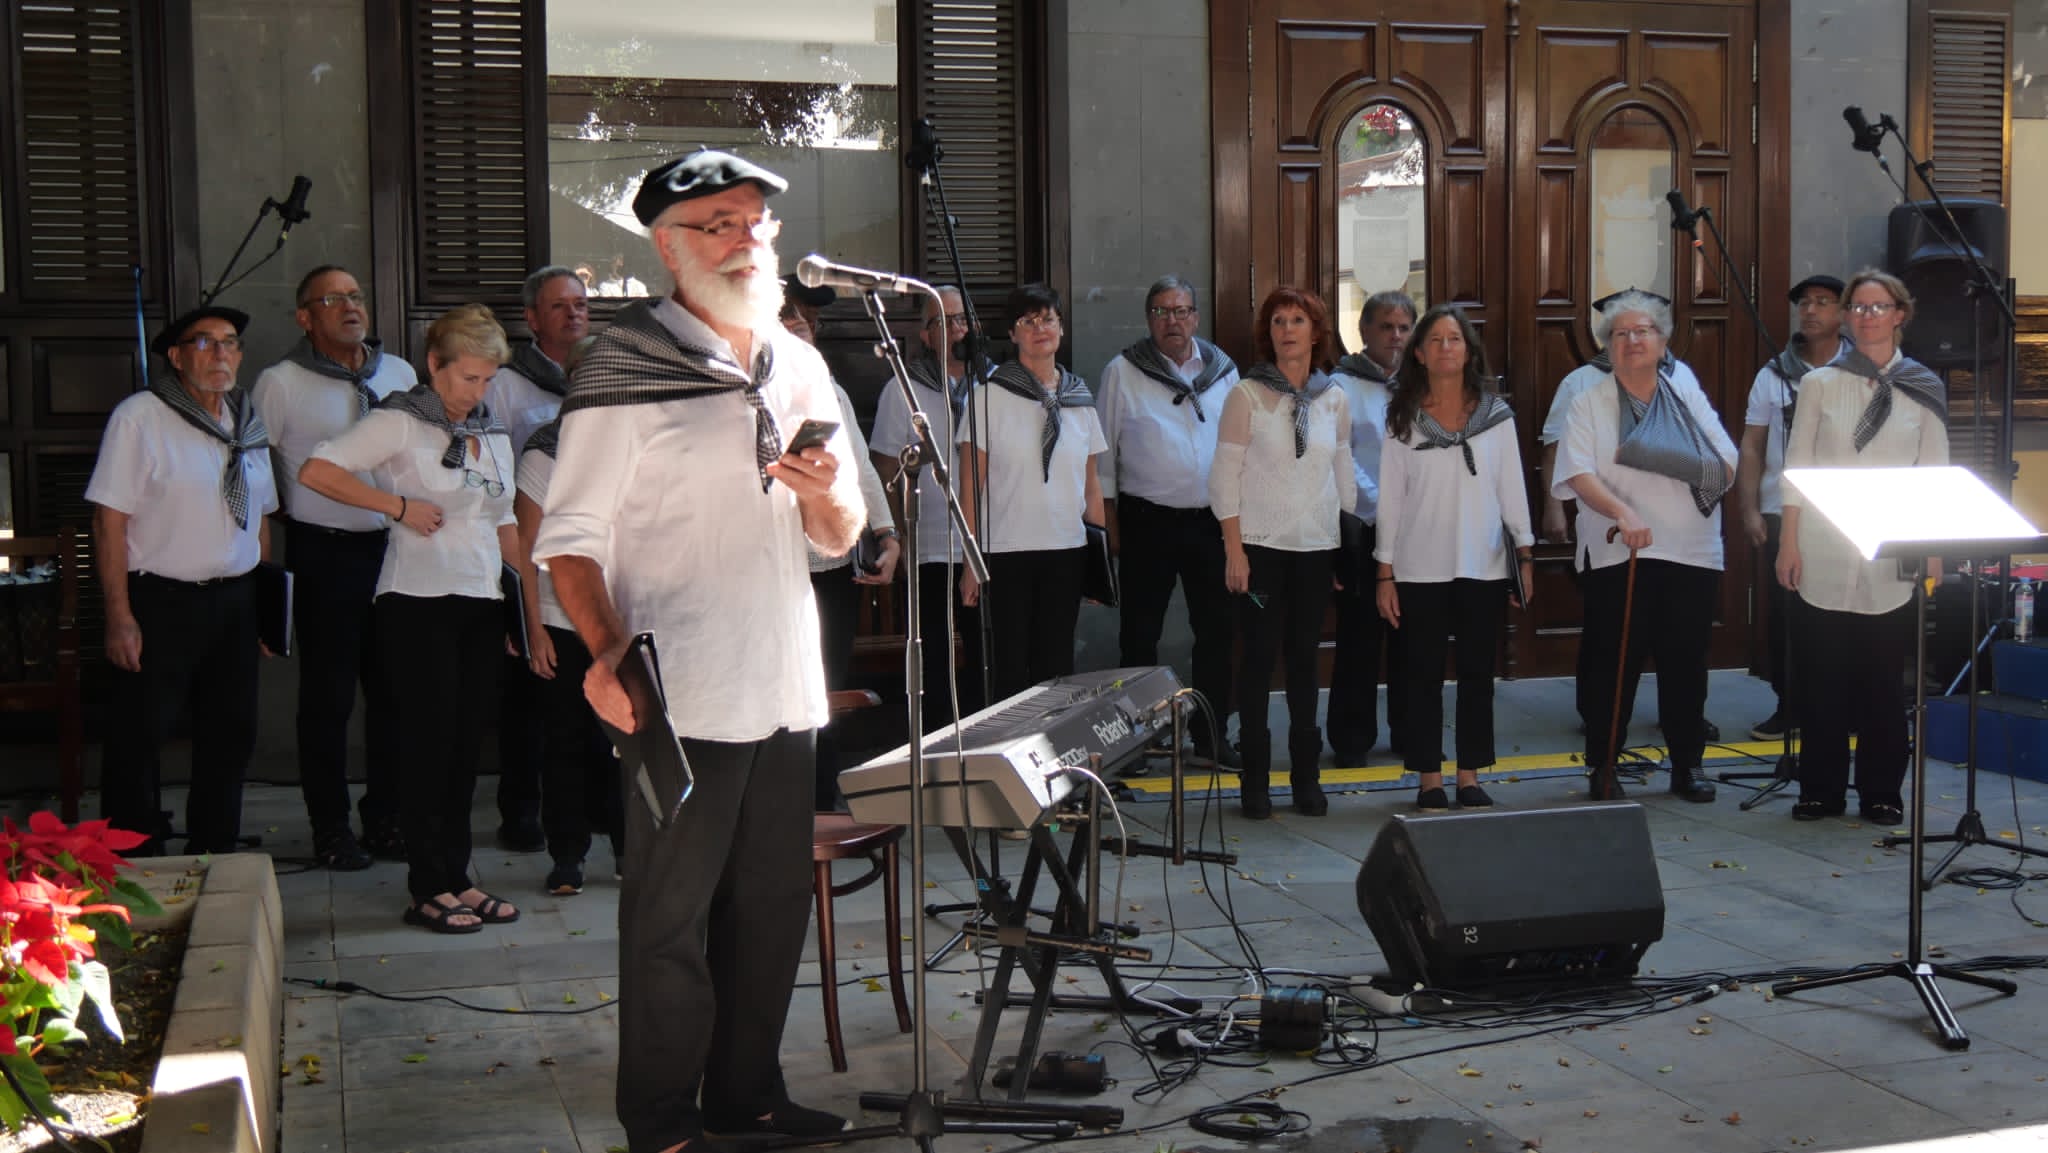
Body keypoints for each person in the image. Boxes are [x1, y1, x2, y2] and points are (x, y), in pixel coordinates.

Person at [533, 150, 862, 1152]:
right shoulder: (623, 365)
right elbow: (569, 538)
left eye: (754, 218)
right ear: (668, 244)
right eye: (717, 221)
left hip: (782, 679)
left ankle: (748, 1097)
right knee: (670, 919)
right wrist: (601, 652)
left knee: (769, 910)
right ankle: (663, 1118)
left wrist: (824, 497)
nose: (744, 236)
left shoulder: (798, 361)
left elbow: (841, 535)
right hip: (671, 691)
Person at [298, 303, 523, 934]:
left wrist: (529, 605)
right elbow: (317, 470)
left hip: (480, 602)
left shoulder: (492, 431)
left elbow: (502, 522)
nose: (475, 392)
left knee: (463, 749)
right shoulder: (401, 420)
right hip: (416, 603)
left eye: (487, 379)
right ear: (434, 365)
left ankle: (459, 878)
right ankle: (427, 885)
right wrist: (395, 504)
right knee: (426, 747)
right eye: (466, 379)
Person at [88, 305, 278, 855]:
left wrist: (265, 603)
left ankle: (215, 845)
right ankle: (132, 851)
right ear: (176, 356)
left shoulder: (246, 421)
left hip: (236, 601)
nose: (221, 354)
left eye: (230, 343)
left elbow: (260, 514)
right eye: (205, 343)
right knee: (140, 733)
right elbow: (109, 520)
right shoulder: (141, 417)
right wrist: (119, 615)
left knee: (231, 730)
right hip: (161, 599)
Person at [251, 265, 417, 869]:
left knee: (394, 692)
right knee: (328, 698)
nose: (350, 307)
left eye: (356, 295)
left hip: (396, 549)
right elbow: (250, 466)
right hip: (324, 553)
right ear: (305, 317)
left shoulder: (398, 374)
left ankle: (388, 818)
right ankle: (330, 827)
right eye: (332, 299)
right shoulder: (281, 382)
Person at [1776, 269, 1946, 827]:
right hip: (1824, 544)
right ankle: (1820, 789)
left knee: (1881, 682)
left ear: (1901, 314)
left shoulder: (1924, 386)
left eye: (1880, 306)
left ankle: (1881, 791)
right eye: (1860, 307)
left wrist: (1936, 548)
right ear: (1849, 318)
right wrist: (1789, 541)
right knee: (1821, 679)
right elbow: (1797, 467)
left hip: (1891, 550)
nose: (1869, 316)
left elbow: (1934, 474)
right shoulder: (1820, 383)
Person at [1553, 290, 1735, 804]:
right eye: (1621, 333)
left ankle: (1687, 765)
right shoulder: (1589, 399)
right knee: (1614, 663)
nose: (1632, 341)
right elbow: (1578, 472)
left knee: (1686, 661)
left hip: (1690, 547)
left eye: (1643, 331)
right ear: (1607, 345)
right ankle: (1603, 765)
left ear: (1662, 339)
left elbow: (1725, 463)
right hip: (1619, 549)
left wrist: (1664, 458)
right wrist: (1623, 510)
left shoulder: (1686, 391)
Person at [1374, 304, 1533, 810]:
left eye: (1455, 339)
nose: (1446, 347)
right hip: (1418, 567)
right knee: (1420, 675)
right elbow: (1391, 499)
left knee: (1476, 674)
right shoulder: (1403, 418)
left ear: (1469, 351)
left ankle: (1469, 775)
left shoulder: (1497, 417)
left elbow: (1513, 487)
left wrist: (1525, 555)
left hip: (1482, 565)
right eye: (1436, 339)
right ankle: (1428, 779)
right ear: (1419, 353)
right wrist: (1385, 572)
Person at [1210, 286, 1356, 818]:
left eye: (1298, 320)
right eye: (1277, 321)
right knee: (1257, 661)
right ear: (1267, 333)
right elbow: (1223, 477)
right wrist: (1234, 549)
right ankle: (1254, 782)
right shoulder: (1245, 395)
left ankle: (1305, 778)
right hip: (1259, 549)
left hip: (1316, 548)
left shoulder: (1333, 397)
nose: (1287, 329)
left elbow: (1342, 474)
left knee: (1303, 662)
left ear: (1316, 332)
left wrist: (1345, 547)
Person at [1094, 274, 1240, 765]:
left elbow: (1242, 446)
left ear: (1196, 317)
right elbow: (1103, 456)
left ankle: (1211, 736)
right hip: (1145, 521)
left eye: (1181, 311)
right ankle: (1133, 742)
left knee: (1217, 631)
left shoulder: (1223, 371)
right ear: (1148, 319)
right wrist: (1109, 523)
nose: (1172, 321)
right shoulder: (1122, 371)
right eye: (1161, 312)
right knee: (1139, 634)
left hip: (1212, 522)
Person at [484, 265, 593, 853]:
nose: (573, 313)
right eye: (559, 306)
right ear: (532, 319)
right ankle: (522, 810)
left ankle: (590, 815)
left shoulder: (605, 385)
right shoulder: (506, 385)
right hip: (520, 560)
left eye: (580, 304)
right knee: (529, 700)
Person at [510, 358, 628, 896]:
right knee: (564, 742)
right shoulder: (545, 450)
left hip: (624, 619)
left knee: (628, 739)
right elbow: (527, 548)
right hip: (560, 620)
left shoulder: (634, 444)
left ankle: (632, 851)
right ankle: (568, 855)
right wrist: (532, 627)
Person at [957, 283, 1106, 701]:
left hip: (1066, 551)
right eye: (1028, 321)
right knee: (1010, 670)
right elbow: (971, 486)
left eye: (1048, 319)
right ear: (1012, 333)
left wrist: (1098, 567)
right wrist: (970, 561)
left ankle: (1055, 762)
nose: (1040, 328)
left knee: (1057, 669)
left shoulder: (1080, 399)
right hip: (1006, 552)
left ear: (1061, 328)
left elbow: (1091, 487)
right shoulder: (988, 397)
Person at [781, 289, 901, 808]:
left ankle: (820, 796)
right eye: (786, 317)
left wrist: (888, 533)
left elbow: (861, 468)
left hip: (831, 562)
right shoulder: (748, 390)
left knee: (827, 681)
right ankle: (781, 799)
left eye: (804, 318)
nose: (798, 325)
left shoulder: (830, 388)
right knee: (782, 683)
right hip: (775, 563)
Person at [870, 284, 993, 728]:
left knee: (988, 656)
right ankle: (941, 747)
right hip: (932, 547)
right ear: (925, 335)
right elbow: (884, 467)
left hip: (990, 543)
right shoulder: (903, 389)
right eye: (943, 320)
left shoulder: (997, 384)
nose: (957, 328)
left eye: (962, 319)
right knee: (935, 659)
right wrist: (899, 536)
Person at [1737, 274, 1846, 742]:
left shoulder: (1859, 370)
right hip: (1784, 509)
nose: (1811, 310)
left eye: (1823, 301)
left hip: (1843, 511)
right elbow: (1752, 444)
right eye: (1804, 302)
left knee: (1839, 612)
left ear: (1843, 313)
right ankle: (1790, 704)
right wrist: (1748, 508)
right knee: (1787, 613)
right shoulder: (1773, 373)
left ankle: (1840, 703)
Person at [1329, 290, 1412, 766]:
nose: (1396, 336)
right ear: (1364, 332)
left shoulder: (1422, 385)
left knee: (1411, 637)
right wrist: (1386, 506)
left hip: (1417, 532)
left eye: (1404, 327)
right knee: (1360, 637)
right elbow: (1340, 457)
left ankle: (1408, 732)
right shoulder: (1340, 386)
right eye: (1386, 326)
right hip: (1364, 527)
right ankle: (1351, 738)